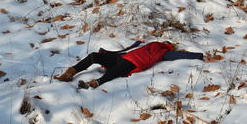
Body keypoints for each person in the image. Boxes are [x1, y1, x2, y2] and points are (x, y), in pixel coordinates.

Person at [54, 41, 204, 89]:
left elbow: (178, 55)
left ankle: (95, 83)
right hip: (120, 57)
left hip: (131, 63)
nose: (164, 43)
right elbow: (127, 48)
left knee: (114, 71)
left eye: (167, 44)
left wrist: (198, 56)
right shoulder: (145, 44)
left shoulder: (162, 53)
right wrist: (106, 53)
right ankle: (70, 72)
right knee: (94, 56)